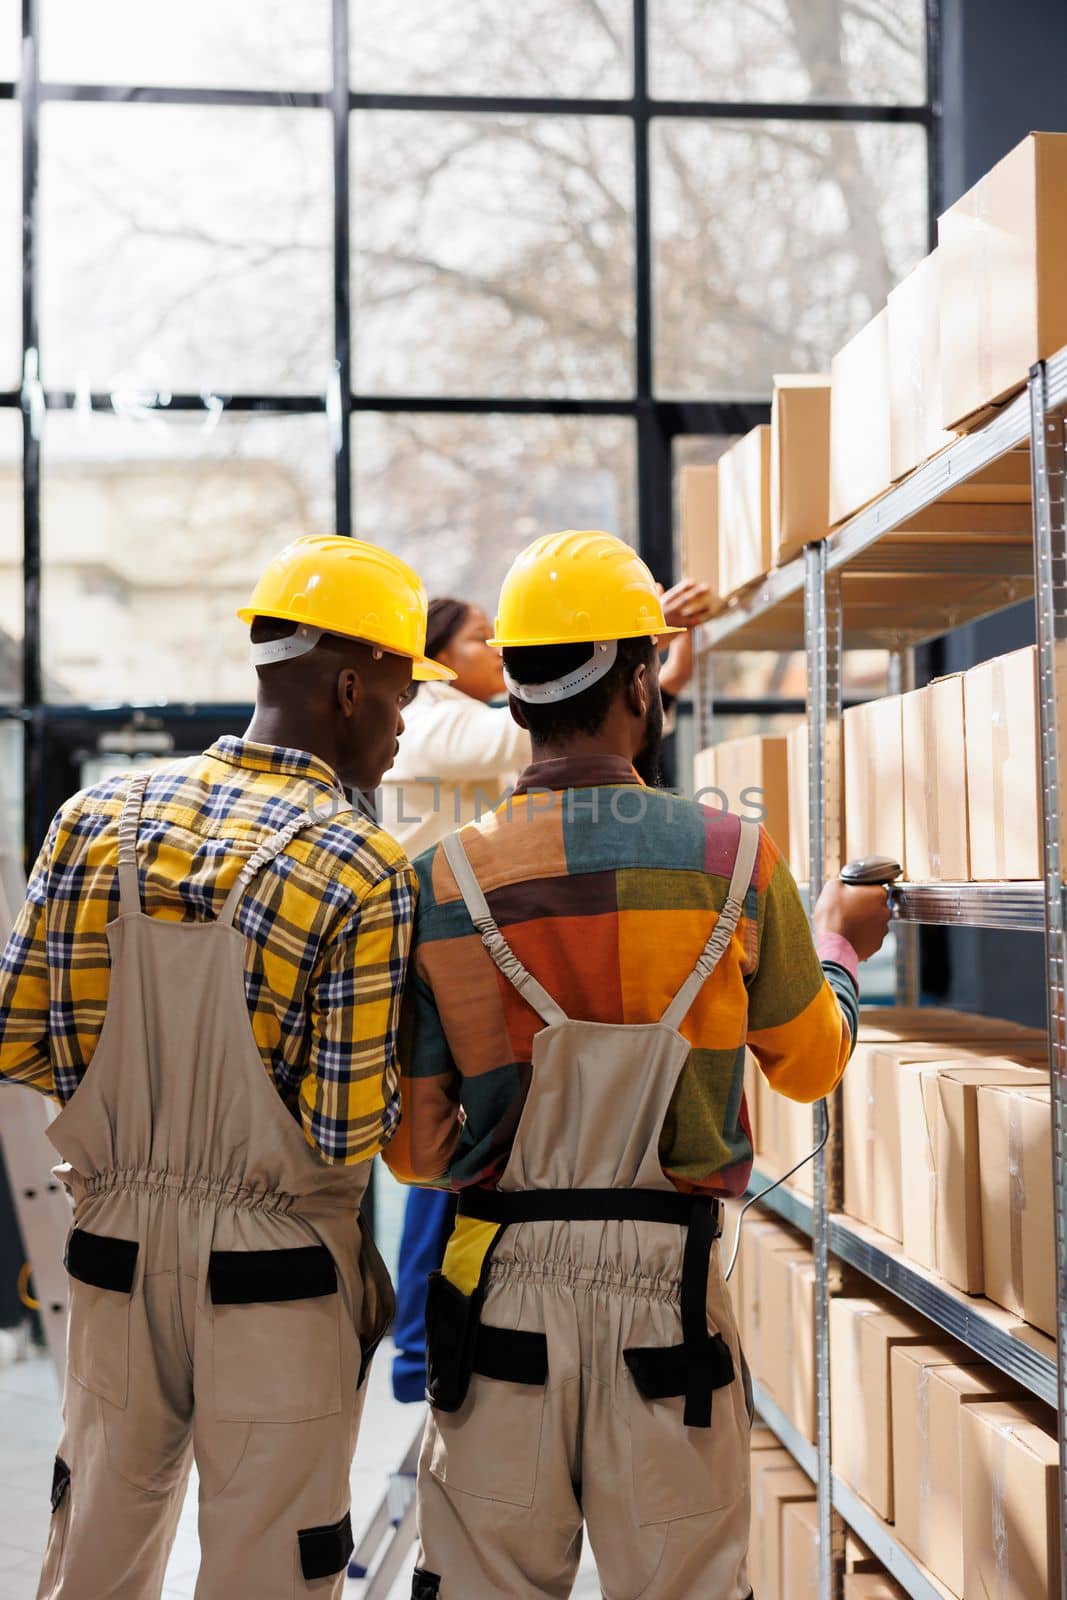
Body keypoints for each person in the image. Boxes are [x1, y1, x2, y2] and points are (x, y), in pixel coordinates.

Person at [384, 530, 890, 1600]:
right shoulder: (733, 861)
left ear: (514, 692)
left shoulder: (440, 881)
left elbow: (420, 1151)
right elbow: (808, 1066)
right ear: (634, 681)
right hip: (665, 1306)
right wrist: (843, 946)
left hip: (496, 1305)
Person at [0, 535, 454, 1600]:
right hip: (278, 1276)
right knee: (270, 1568)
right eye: (397, 697)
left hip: (110, 1253)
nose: (400, 726)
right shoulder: (362, 863)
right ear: (348, 686)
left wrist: (137, 1144)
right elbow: (343, 1132)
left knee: (97, 1549)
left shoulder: (93, 821)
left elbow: (18, 1037)